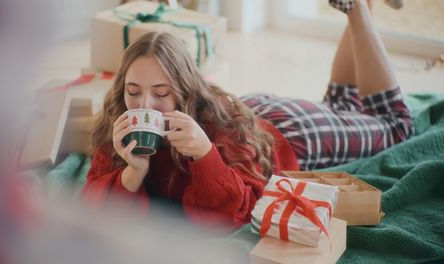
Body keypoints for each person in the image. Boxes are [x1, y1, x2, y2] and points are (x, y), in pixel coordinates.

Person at [82, 0, 412, 229]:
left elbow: (237, 213)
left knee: (396, 125)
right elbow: (94, 205)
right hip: (248, 116)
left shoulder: (214, 128)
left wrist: (204, 154)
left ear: (186, 91)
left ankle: (354, 8)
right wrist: (133, 171)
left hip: (289, 133)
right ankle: (359, 6)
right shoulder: (120, 120)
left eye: (162, 93)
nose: (144, 106)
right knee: (343, 103)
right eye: (134, 91)